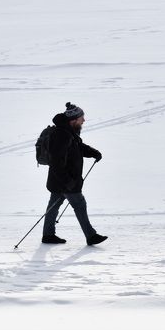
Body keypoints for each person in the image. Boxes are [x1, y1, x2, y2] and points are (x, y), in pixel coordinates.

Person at [42, 102, 108, 246]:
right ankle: (91, 236)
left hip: (59, 181)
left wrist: (93, 152)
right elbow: (56, 162)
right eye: (81, 118)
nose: (83, 120)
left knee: (53, 206)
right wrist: (68, 182)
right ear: (73, 120)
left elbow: (77, 147)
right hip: (67, 181)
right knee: (79, 205)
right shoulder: (62, 135)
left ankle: (48, 235)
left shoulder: (68, 132)